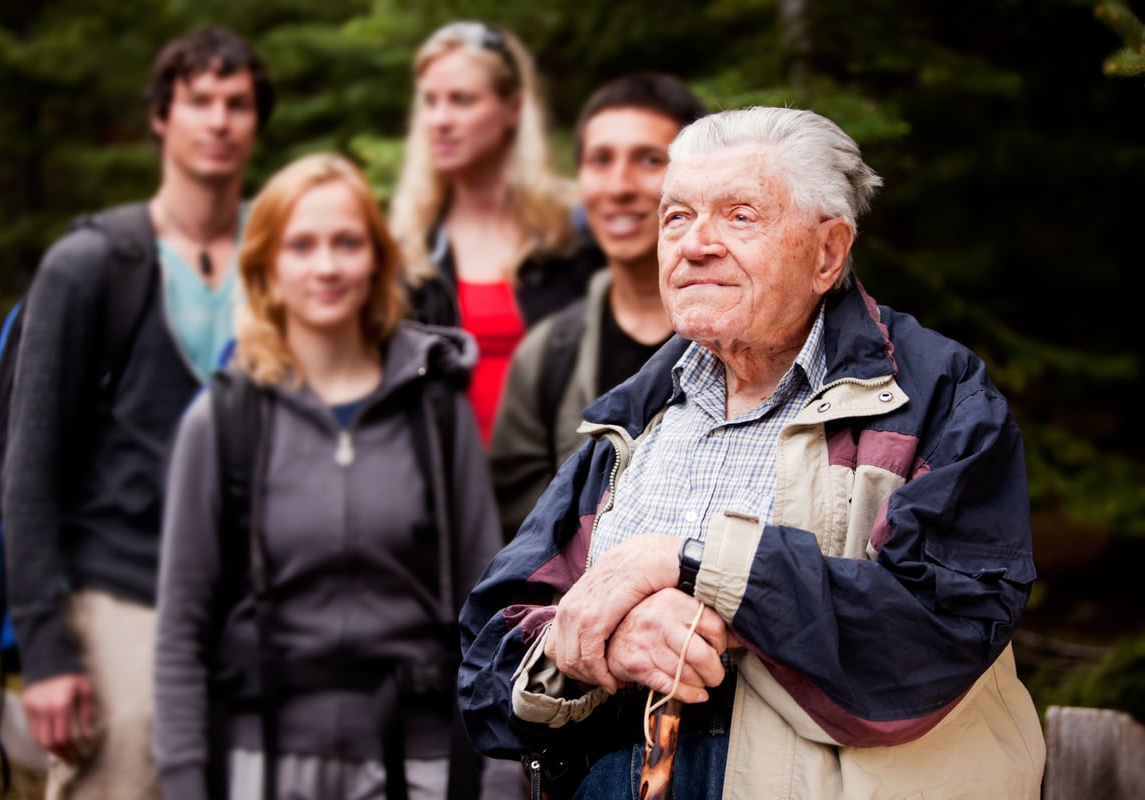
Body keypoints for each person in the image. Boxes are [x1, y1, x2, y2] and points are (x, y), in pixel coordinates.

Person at [459, 107, 1046, 799]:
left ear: (827, 252)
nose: (695, 244)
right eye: (676, 217)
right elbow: (488, 658)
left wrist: (693, 562)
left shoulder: (934, 396)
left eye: (739, 215)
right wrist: (598, 649)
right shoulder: (635, 418)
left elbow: (942, 628)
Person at [153, 152, 502, 800]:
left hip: (418, 760)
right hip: (264, 757)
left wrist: (500, 774)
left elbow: (488, 606)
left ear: (376, 260)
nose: (326, 266)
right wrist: (183, 780)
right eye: (302, 245)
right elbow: (182, 629)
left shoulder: (435, 411)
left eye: (347, 243)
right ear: (265, 266)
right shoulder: (223, 420)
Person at [2, 26, 273, 798]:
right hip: (122, 593)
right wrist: (47, 651)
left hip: (255, 607)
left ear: (256, 122)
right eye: (199, 102)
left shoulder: (282, 258)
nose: (218, 121)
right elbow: (31, 472)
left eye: (238, 104)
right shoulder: (92, 264)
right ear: (161, 116)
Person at [488, 72, 707, 540]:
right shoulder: (549, 354)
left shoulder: (755, 339)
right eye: (599, 160)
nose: (619, 186)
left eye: (650, 160)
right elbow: (520, 533)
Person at [389, 20, 603, 445]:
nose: (440, 120)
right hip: (449, 492)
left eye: (461, 100)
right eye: (430, 102)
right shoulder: (408, 245)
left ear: (513, 108)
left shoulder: (575, 231)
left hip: (558, 488)